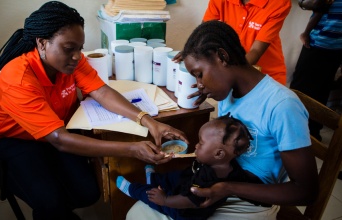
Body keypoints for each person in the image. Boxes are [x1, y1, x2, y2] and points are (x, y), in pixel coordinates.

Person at [0, 2, 187, 220]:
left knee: (87, 191)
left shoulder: (70, 62)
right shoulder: (18, 80)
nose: (77, 56)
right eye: (69, 48)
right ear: (43, 43)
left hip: (50, 134)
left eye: (79, 48)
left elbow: (101, 92)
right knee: (50, 202)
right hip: (10, 139)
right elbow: (60, 139)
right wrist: (132, 149)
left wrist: (149, 121)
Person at [127, 20, 318, 220]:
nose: (199, 85)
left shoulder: (282, 106)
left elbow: (306, 192)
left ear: (222, 57)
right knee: (136, 213)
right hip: (218, 183)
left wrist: (227, 188)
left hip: (252, 202)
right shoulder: (229, 92)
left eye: (200, 75)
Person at [117, 113, 270, 220]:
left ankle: (133, 190)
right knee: (175, 175)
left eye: (201, 143)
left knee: (152, 196)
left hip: (184, 211)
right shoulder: (233, 168)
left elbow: (188, 200)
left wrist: (165, 200)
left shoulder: (206, 180)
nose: (196, 145)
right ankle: (154, 178)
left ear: (218, 154)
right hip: (188, 180)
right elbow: (251, 187)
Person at [174, 0, 291, 85]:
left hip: (266, 76)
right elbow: (205, 32)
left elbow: (256, 51)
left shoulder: (279, 3)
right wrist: (192, 51)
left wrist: (225, 78)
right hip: (231, 72)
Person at [290, 0, 342, 141]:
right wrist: (306, 33)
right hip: (315, 44)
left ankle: (313, 132)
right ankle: (291, 129)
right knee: (300, 90)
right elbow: (313, 5)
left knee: (322, 91)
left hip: (337, 48)